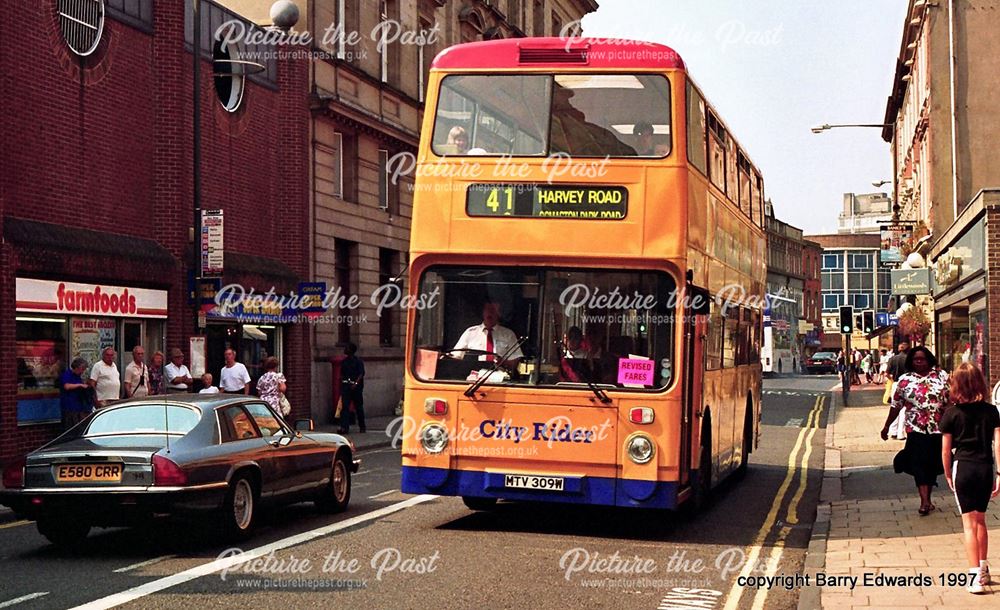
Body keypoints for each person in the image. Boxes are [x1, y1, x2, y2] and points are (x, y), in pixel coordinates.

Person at [940, 363, 1000, 594]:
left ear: (956, 385)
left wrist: (947, 473)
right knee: (981, 520)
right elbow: (998, 445)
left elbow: (946, 450)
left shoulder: (951, 414)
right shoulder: (991, 412)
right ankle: (984, 569)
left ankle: (974, 576)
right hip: (985, 468)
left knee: (969, 524)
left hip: (963, 468)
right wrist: (999, 473)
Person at [882, 346, 950, 516]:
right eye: (915, 359)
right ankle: (925, 502)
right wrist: (886, 426)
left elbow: (950, 402)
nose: (919, 362)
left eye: (922, 359)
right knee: (919, 464)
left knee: (933, 465)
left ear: (929, 360)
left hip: (938, 429)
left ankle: (928, 498)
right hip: (915, 429)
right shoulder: (905, 380)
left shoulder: (942, 377)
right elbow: (895, 406)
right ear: (911, 361)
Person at [453, 301, 524, 369]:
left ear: (499, 313)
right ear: (483, 312)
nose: (490, 313)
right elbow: (455, 356)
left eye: (493, 310)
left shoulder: (508, 334)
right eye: (487, 309)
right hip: (473, 376)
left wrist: (503, 362)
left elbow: (516, 360)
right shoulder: (470, 332)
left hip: (499, 376)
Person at [338, 343, 366, 434]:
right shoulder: (344, 361)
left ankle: (362, 427)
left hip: (356, 388)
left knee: (359, 407)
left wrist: (356, 383)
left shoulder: (358, 361)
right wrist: (343, 382)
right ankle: (344, 428)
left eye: (347, 348)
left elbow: (361, 374)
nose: (345, 349)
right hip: (346, 387)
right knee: (345, 408)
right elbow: (342, 374)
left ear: (351, 350)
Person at [886, 341, 911, 439]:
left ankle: (893, 431)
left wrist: (892, 380)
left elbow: (886, 374)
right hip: (907, 383)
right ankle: (901, 434)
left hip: (896, 383)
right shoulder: (909, 359)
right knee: (904, 409)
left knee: (894, 406)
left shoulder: (892, 359)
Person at [60, 358, 93, 430]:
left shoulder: (78, 377)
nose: (82, 371)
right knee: (70, 428)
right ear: (77, 367)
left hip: (78, 406)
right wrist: (79, 385)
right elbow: (67, 386)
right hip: (69, 407)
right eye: (82, 369)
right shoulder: (67, 374)